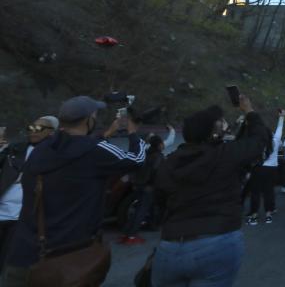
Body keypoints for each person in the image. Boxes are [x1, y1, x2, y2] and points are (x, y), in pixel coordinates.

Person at [2, 97, 145, 287]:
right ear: (88, 120)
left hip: (22, 256)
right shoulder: (96, 151)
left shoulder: (41, 149)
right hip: (65, 263)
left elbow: (74, 147)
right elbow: (137, 159)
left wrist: (104, 135)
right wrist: (133, 133)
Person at [151, 96, 271, 287]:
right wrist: (249, 111)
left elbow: (159, 199)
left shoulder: (169, 162)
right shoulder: (226, 155)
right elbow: (259, 141)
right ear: (212, 133)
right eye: (220, 123)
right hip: (218, 240)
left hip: (171, 245)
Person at [0, 116, 59, 272]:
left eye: (39, 128)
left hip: (23, 215)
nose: (33, 132)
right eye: (31, 128)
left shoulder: (56, 154)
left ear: (51, 132)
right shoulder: (16, 148)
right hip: (2, 208)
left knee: (8, 259)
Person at [118, 133, 166, 245]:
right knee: (141, 211)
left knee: (140, 209)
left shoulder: (145, 154)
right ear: (159, 145)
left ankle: (126, 232)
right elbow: (157, 172)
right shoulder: (158, 157)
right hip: (149, 187)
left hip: (139, 185)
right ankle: (131, 236)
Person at [246, 109, 284, 225]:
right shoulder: (276, 141)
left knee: (255, 192)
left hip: (258, 168)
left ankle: (254, 215)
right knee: (269, 191)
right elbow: (279, 130)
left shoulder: (258, 143)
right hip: (272, 169)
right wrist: (281, 117)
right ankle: (268, 215)